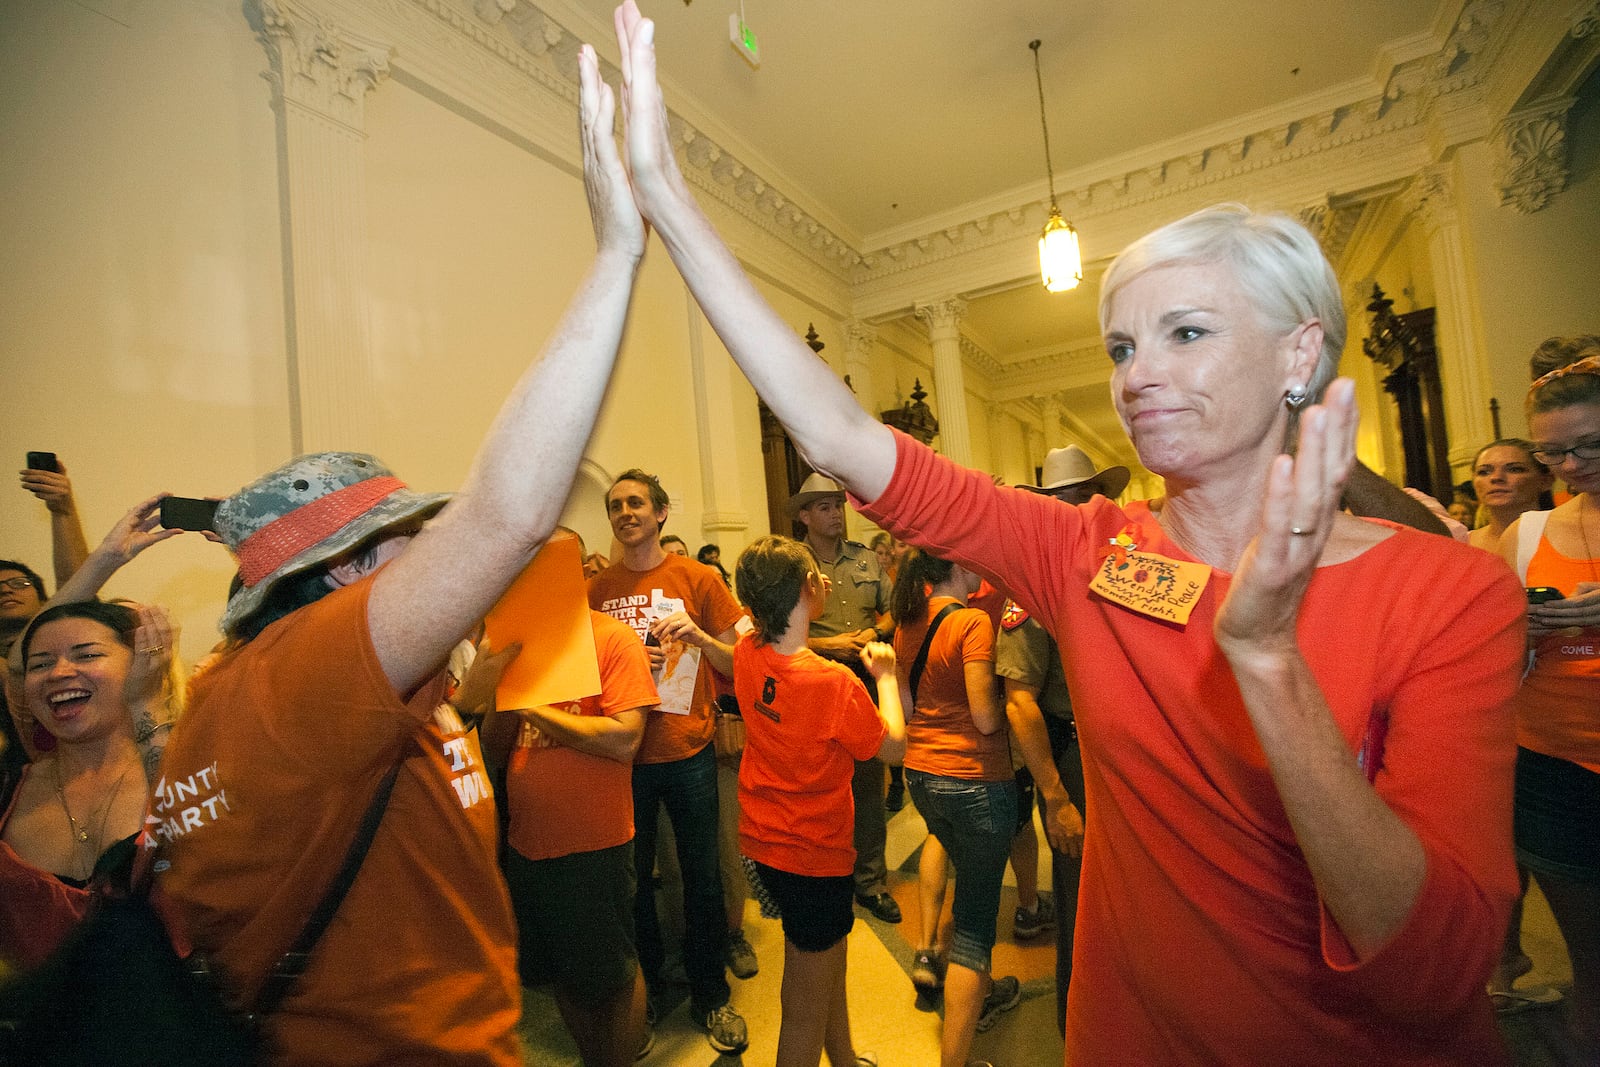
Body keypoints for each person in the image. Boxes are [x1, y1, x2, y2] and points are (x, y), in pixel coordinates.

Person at [600, 24, 1525, 1056]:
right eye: (1123, 346)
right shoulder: (1091, 552)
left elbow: (1436, 965)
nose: (1135, 374)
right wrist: (670, 208)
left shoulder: (1451, 592)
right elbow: (843, 437)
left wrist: (1265, 659)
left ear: (1297, 350)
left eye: (1185, 333)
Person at [151, 40, 644, 1065]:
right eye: (402, 540)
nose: (429, 555)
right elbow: (508, 514)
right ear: (336, 576)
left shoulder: (355, 689)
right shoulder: (296, 679)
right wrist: (614, 258)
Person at [480, 532, 657, 1067]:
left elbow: (625, 738)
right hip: (528, 842)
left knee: (611, 973)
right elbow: (493, 748)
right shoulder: (518, 646)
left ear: (583, 569)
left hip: (594, 842)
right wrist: (498, 695)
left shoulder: (612, 640)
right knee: (555, 970)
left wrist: (534, 707)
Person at [588, 468, 749, 1055]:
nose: (625, 512)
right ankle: (649, 991)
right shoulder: (596, 591)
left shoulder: (697, 576)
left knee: (702, 878)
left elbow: (745, 661)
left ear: (660, 514)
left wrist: (702, 642)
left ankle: (711, 994)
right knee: (633, 883)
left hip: (688, 750)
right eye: (615, 506)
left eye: (636, 502)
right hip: (622, 755)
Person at [731, 535, 905, 1067]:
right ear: (811, 587)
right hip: (812, 854)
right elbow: (893, 748)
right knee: (802, 1006)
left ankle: (846, 1058)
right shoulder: (833, 683)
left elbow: (750, 627)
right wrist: (887, 678)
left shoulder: (747, 653)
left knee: (827, 962)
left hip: (763, 839)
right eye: (816, 577)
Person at [994, 445, 1123, 1033]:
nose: (1079, 509)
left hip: (1128, 755)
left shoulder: (1127, 570)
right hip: (1073, 756)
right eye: (1065, 500)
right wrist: (1054, 796)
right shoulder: (1032, 593)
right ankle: (1081, 1020)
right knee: (1079, 895)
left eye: (1087, 497)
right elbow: (1020, 701)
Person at [1499, 353, 1600, 1058]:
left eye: (1588, 445)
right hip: (1552, 758)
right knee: (1587, 949)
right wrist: (1524, 627)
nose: (1570, 464)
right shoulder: (1528, 535)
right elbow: (1488, 657)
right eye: (1553, 451)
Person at [889, 549, 1022, 1065]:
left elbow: (907, 709)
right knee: (973, 929)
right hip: (975, 778)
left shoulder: (908, 624)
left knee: (946, 851)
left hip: (923, 775)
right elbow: (986, 718)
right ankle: (957, 1058)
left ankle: (971, 992)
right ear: (956, 567)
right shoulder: (971, 622)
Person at [1, 600, 176, 971]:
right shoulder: (11, 784)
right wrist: (106, 558)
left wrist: (147, 699)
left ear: (140, 665)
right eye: (41, 664)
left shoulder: (180, 768)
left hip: (177, 1018)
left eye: (87, 655)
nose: (59, 673)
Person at [789, 474, 899, 924]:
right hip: (812, 681)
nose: (836, 513)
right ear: (804, 516)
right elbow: (773, 631)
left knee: (868, 786)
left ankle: (870, 881)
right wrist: (826, 646)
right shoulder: (791, 564)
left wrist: (874, 633)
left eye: (838, 505)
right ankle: (821, 875)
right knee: (815, 785)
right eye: (825, 507)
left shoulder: (866, 559)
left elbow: (894, 611)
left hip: (864, 678)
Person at [1469, 439, 1553, 553]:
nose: (1496, 477)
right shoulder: (1463, 541)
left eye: (1514, 469)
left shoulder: (1569, 537)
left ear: (1546, 481)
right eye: (1484, 472)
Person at [18, 458, 90, 591]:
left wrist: (63, 510)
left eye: (18, 583)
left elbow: (75, 592)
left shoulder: (60, 609)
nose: (6, 590)